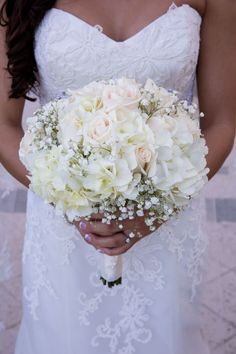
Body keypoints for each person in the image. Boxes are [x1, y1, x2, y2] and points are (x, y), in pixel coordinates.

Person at [0, 0, 235, 353]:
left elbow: (221, 121)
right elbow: (3, 125)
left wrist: (159, 208)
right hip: (64, 225)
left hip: (165, 223)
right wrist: (69, 200)